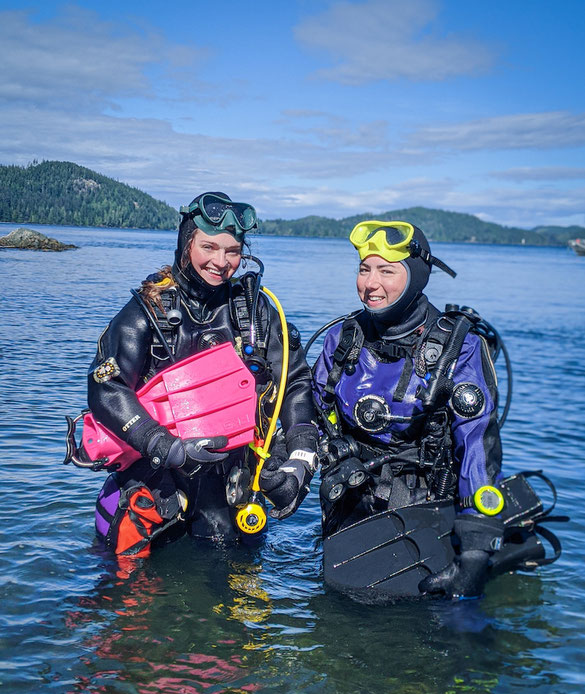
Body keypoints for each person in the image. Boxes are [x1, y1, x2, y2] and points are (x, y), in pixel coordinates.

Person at [79, 192, 318, 556]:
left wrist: (301, 457)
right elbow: (105, 387)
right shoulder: (149, 308)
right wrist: (166, 447)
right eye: (209, 247)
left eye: (233, 251)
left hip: (234, 489)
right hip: (159, 481)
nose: (221, 262)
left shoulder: (253, 312)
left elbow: (296, 381)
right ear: (186, 242)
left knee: (232, 594)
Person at [312, 220, 507, 599]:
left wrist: (476, 545)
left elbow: (476, 443)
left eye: (387, 271)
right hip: (347, 510)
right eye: (364, 269)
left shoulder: (459, 348)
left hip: (429, 514)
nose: (371, 284)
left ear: (417, 276)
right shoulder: (343, 339)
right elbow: (314, 412)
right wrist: (329, 451)